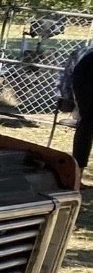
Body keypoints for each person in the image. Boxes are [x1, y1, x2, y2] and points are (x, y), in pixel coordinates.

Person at [56, 42, 93, 179]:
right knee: (87, 123)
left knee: (87, 123)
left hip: (84, 71)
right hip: (86, 72)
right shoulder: (85, 55)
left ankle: (77, 174)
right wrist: (66, 97)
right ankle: (77, 174)